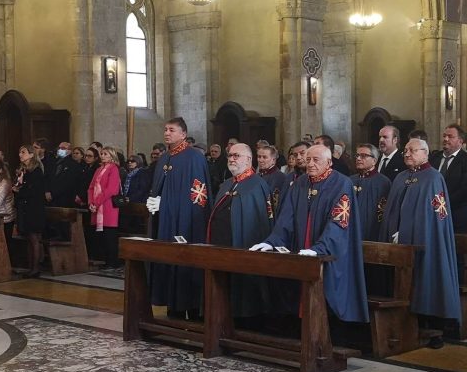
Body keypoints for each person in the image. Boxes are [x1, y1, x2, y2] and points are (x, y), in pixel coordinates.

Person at [251, 145, 369, 325]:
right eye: (308, 160)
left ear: (329, 163)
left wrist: (319, 248)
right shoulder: (300, 182)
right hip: (302, 250)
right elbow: (286, 217)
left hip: (331, 253)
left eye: (316, 160)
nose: (310, 164)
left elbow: (339, 223)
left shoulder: (342, 183)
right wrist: (272, 241)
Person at [380, 139, 461, 346]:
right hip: (398, 243)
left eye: (412, 150)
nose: (406, 154)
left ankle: (432, 327)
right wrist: (393, 231)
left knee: (426, 279)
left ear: (425, 153)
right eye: (405, 150)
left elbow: (435, 216)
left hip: (425, 242)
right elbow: (392, 211)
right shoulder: (401, 177)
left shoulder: (433, 178)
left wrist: (407, 232)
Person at [146, 117, 212, 317]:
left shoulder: (194, 157)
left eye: (171, 130)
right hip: (165, 223)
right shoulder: (165, 158)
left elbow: (198, 198)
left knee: (185, 268)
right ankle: (171, 307)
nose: (167, 133)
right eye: (165, 129)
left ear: (183, 134)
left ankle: (191, 311)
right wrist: (153, 203)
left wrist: (164, 204)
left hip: (186, 224)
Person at [207, 143, 274, 322]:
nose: (232, 159)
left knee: (242, 292)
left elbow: (261, 222)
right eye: (230, 156)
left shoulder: (256, 185)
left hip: (243, 246)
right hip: (220, 246)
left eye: (237, 156)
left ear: (249, 160)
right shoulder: (227, 183)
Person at [429, 124, 467, 233]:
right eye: (444, 136)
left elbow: (466, 189)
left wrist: (441, 204)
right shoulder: (434, 158)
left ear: (460, 141)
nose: (445, 139)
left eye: (450, 136)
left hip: (457, 216)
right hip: (432, 215)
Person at [13, 144, 48, 277]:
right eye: (20, 152)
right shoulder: (24, 170)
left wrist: (20, 190)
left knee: (34, 238)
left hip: (34, 208)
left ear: (32, 154)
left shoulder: (36, 171)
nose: (20, 155)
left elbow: (33, 190)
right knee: (29, 237)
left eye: (23, 152)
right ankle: (31, 266)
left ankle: (35, 268)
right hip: (26, 207)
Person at [88, 146, 122, 270]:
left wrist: (96, 203)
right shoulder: (98, 169)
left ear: (112, 156)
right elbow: (91, 187)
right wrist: (91, 202)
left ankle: (113, 261)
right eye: (102, 153)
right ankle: (104, 259)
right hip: (97, 206)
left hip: (108, 206)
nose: (102, 156)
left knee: (109, 235)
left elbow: (111, 190)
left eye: (106, 154)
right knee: (101, 235)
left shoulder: (113, 169)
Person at [349, 143, 391, 242]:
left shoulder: (383, 182)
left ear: (374, 161)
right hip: (350, 232)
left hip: (373, 234)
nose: (358, 158)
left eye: (363, 156)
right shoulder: (349, 181)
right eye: (357, 155)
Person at [47, 141, 82, 209]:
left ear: (69, 151)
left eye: (63, 148)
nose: (60, 150)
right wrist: (47, 191)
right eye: (59, 148)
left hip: (64, 199)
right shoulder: (54, 162)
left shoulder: (73, 165)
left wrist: (53, 194)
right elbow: (48, 177)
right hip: (51, 198)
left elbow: (68, 182)